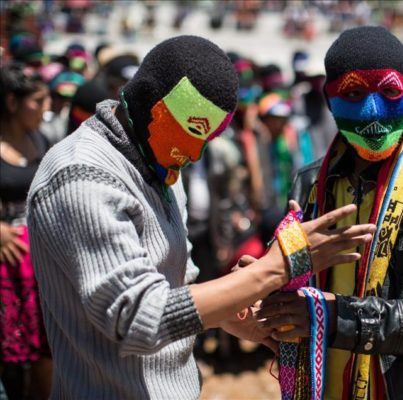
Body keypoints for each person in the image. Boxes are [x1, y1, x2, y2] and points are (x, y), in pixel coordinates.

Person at [26, 35, 376, 399]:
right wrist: (274, 268)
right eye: (193, 130)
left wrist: (234, 311)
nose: (195, 152)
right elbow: (137, 319)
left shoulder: (157, 162)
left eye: (208, 138)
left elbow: (174, 286)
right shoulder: (81, 176)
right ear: (152, 106)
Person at [258, 26, 403, 400]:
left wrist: (338, 318)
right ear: (329, 100)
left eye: (389, 92)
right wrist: (264, 287)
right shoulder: (308, 185)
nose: (372, 112)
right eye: (352, 93)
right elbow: (295, 290)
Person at [0, 63, 52, 400]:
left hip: (40, 267)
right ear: (11, 103)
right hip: (5, 269)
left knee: (46, 357)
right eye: (37, 101)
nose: (45, 110)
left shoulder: (41, 140)